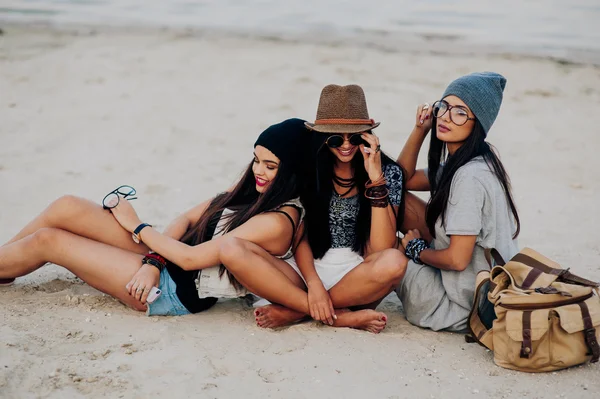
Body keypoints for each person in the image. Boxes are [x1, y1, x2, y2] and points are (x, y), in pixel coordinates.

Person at [0, 118, 310, 316]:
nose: (258, 170)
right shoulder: (256, 189)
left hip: (175, 289)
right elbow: (187, 219)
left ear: (292, 172)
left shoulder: (277, 221)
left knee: (49, 241)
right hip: (164, 259)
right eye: (256, 160)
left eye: (270, 166)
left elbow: (190, 260)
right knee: (66, 206)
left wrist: (136, 224)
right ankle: (6, 265)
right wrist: (153, 260)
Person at [221, 84, 408, 333]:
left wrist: (375, 179)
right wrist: (314, 283)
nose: (345, 146)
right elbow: (300, 236)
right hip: (306, 268)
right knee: (232, 248)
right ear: (321, 136)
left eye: (354, 137)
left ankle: (296, 311)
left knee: (395, 261)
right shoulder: (311, 168)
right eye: (334, 138)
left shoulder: (388, 172)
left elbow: (383, 247)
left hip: (356, 274)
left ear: (368, 132)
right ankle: (336, 315)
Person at [395, 72, 521, 332]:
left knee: (389, 250)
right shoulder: (467, 162)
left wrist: (415, 250)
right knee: (393, 199)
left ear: (478, 124)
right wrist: (420, 130)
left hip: (461, 305)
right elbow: (401, 180)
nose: (446, 117)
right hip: (474, 289)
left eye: (461, 112)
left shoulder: (469, 178)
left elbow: (456, 260)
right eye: (444, 107)